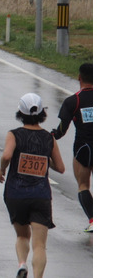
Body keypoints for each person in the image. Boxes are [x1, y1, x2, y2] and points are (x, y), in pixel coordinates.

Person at [0, 93, 66, 278]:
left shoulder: (14, 134)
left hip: (15, 193)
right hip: (41, 195)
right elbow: (60, 167)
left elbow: (6, 156)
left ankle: (21, 264)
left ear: (21, 112)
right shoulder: (48, 138)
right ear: (42, 113)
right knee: (39, 245)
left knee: (21, 236)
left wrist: (2, 169)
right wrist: (43, 158)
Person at [51, 63, 93, 233]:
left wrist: (51, 136)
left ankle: (93, 220)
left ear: (79, 77)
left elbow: (62, 129)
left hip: (84, 148)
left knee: (83, 185)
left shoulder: (73, 101)